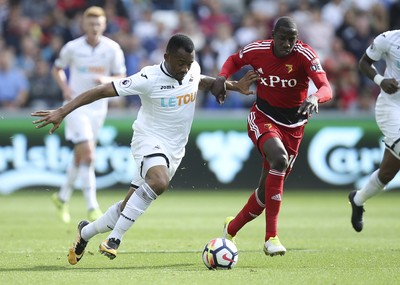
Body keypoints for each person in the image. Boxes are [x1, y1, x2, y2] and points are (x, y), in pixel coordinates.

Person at [31, 33, 258, 264]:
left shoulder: (192, 69)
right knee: (159, 182)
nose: (186, 68)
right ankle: (114, 240)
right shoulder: (148, 77)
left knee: (126, 207)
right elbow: (101, 91)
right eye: (181, 63)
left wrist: (234, 86)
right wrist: (63, 110)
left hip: (175, 149)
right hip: (148, 139)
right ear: (166, 56)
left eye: (189, 63)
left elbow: (200, 81)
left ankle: (85, 232)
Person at [212, 16, 333, 256]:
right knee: (279, 159)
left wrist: (314, 97)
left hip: (294, 126)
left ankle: (232, 227)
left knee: (266, 193)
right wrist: (221, 78)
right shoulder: (257, 50)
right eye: (283, 38)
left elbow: (326, 87)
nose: (288, 44)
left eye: (292, 39)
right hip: (263, 117)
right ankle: (271, 238)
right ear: (273, 36)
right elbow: (234, 60)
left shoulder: (305, 55)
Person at [50, 6, 127, 224]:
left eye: (98, 23)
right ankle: (92, 206)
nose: (94, 27)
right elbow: (57, 68)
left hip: (97, 108)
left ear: (104, 25)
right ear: (83, 25)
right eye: (90, 23)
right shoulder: (72, 48)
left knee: (79, 155)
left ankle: (61, 197)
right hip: (75, 106)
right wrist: (65, 88)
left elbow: (121, 76)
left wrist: (106, 80)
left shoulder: (112, 49)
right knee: (90, 155)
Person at [348, 30, 400, 232]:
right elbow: (363, 63)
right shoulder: (388, 39)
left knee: (387, 172)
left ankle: (358, 199)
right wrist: (381, 81)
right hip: (391, 107)